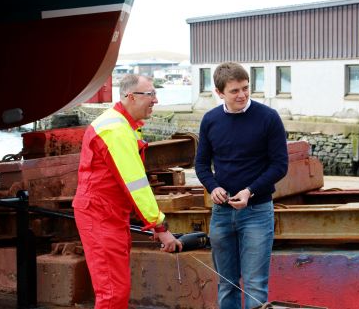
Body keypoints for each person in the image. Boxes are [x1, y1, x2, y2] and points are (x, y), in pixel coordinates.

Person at [73, 74, 182, 309]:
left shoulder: (121, 125)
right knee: (112, 292)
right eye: (150, 94)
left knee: (114, 289)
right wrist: (159, 226)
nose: (156, 99)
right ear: (130, 97)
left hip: (107, 212)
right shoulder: (117, 130)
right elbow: (136, 184)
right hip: (101, 214)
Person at [195, 62, 288, 309]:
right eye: (235, 91)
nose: (242, 95)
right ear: (219, 92)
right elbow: (202, 166)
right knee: (227, 284)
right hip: (222, 214)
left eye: (246, 88)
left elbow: (280, 166)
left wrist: (250, 191)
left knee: (256, 284)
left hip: (257, 212)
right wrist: (213, 187)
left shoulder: (268, 118)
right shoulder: (210, 120)